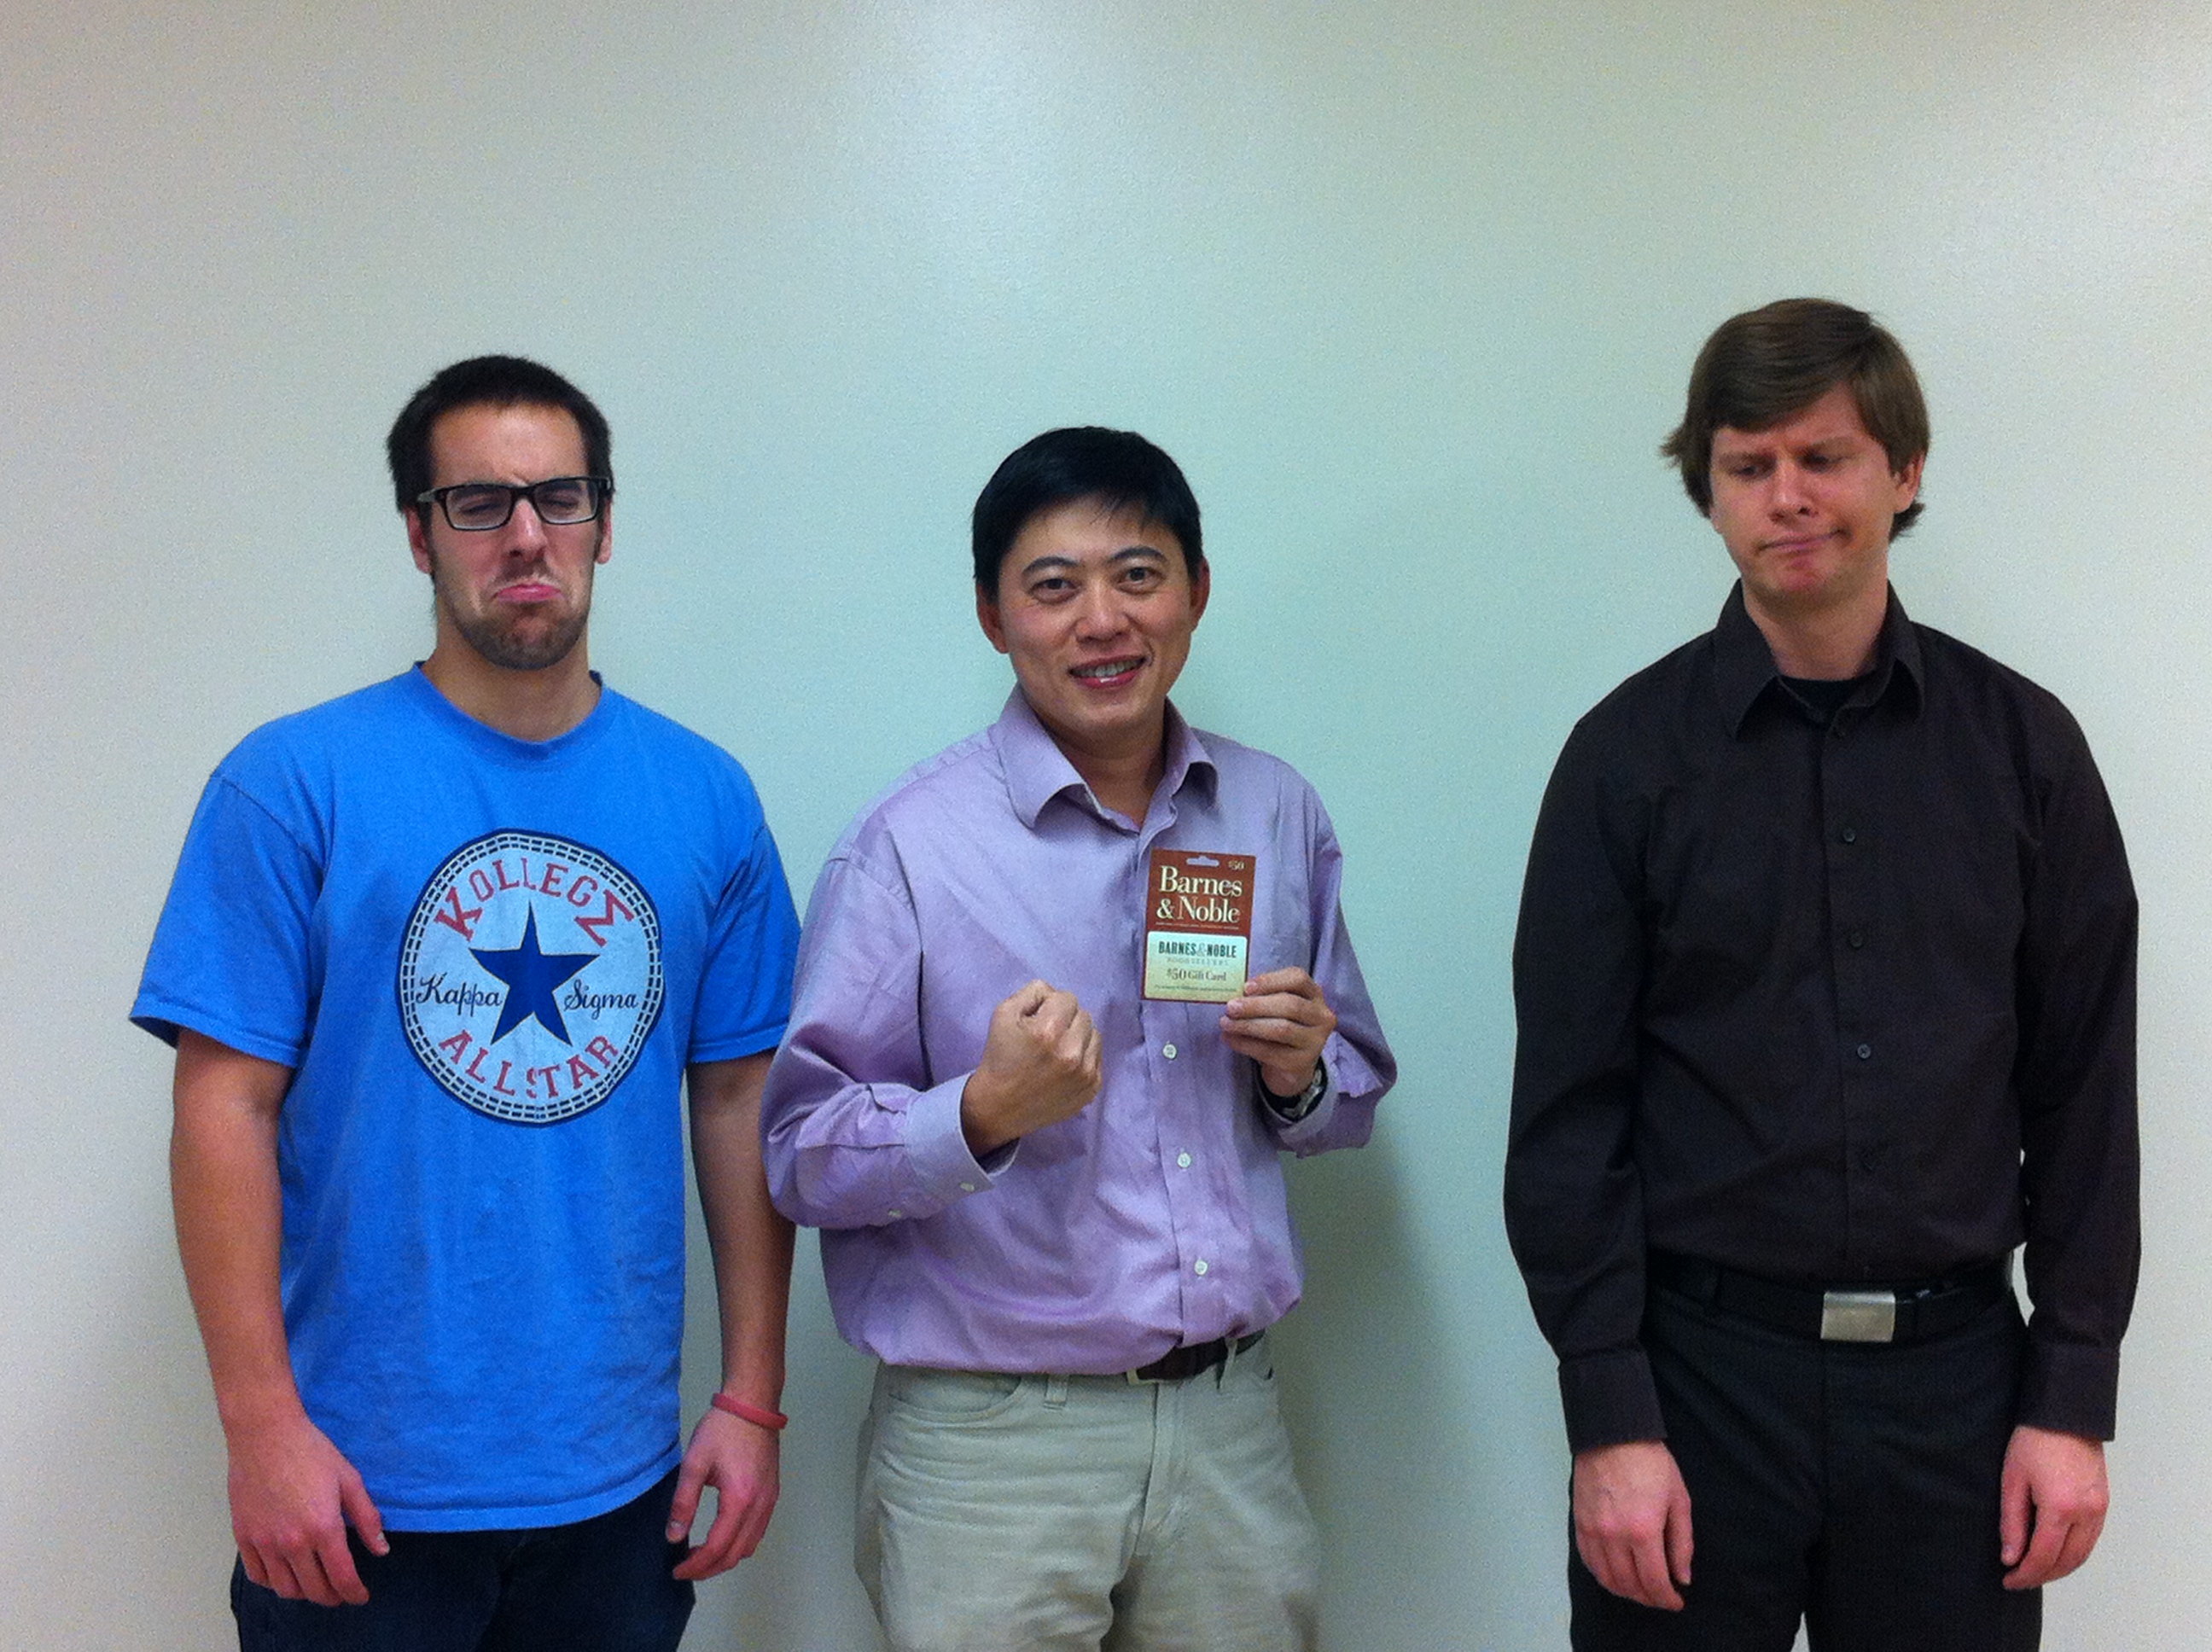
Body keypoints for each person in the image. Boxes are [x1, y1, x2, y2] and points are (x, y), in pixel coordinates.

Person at [132, 356, 801, 1650]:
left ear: (606, 521)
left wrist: (752, 1397)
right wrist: (259, 1425)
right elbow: (224, 1107)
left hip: (620, 1486)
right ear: (419, 534)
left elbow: (738, 1100)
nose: (527, 536)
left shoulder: (707, 797)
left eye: (560, 496)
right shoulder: (292, 782)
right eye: (479, 504)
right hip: (354, 1486)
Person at [1504, 299, 2139, 1650]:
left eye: (1823, 457)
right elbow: (1570, 1117)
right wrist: (1608, 1416)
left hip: (1960, 1395)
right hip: (1698, 1390)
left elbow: (2085, 1093)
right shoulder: (1623, 763)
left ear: (1903, 471)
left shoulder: (2027, 752)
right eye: (1749, 465)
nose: (1787, 497)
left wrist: (2072, 1393)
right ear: (1710, 492)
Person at [760, 426, 1395, 1652]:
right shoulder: (909, 845)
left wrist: (1300, 1074)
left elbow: (1351, 1091)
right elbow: (797, 1153)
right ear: (993, 617)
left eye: (1138, 575)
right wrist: (980, 1112)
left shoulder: (1274, 810)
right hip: (991, 1450)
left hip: (1228, 1425)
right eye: (1054, 586)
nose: (1103, 620)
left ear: (1195, 591)